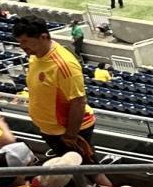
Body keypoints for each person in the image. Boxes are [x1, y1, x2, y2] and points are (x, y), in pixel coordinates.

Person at [15, 16, 94, 158]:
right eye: (19, 41)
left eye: (25, 41)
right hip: (49, 129)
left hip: (67, 131)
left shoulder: (64, 65)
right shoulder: (34, 55)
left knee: (89, 170)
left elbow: (78, 102)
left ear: (43, 37)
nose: (22, 45)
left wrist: (70, 135)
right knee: (71, 171)